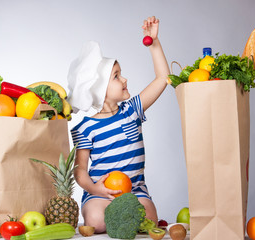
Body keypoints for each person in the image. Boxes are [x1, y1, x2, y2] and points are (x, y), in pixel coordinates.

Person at [67, 16, 170, 233]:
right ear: (99, 90)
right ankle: (101, 210)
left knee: (149, 218)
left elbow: (162, 78)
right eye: (116, 76)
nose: (124, 80)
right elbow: (80, 171)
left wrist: (154, 42)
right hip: (100, 192)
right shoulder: (85, 128)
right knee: (96, 220)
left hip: (135, 191)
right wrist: (95, 188)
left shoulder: (132, 110)